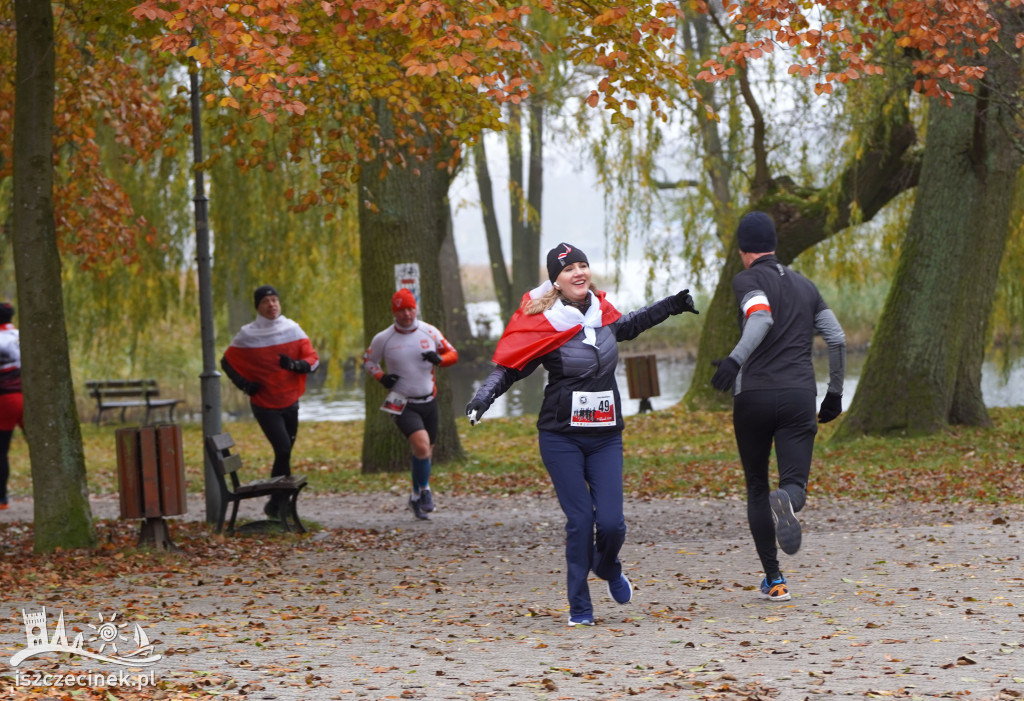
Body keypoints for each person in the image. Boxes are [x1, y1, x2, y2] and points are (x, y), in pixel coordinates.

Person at [465, 243, 699, 627]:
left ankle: (608, 567)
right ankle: (580, 608)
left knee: (611, 524)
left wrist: (671, 304)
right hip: (562, 438)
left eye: (583, 266)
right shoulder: (544, 324)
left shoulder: (602, 315)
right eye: (570, 268)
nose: (579, 273)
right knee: (580, 521)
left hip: (606, 436)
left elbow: (632, 324)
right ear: (555, 280)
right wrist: (482, 397)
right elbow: (509, 367)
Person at [710, 211, 846, 602]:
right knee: (793, 485)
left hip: (752, 396)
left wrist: (735, 360)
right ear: (773, 245)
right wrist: (834, 393)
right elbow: (836, 338)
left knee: (756, 486)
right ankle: (787, 500)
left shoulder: (747, 279)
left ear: (743, 250)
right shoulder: (806, 287)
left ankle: (775, 579)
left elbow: (761, 316)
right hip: (798, 397)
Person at [221, 285, 320, 519]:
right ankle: (279, 504)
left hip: (290, 400)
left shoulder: (292, 329)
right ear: (258, 306)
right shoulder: (248, 334)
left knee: (284, 453)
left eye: (275, 300)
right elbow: (227, 362)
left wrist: (295, 365)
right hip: (265, 404)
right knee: (283, 448)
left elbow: (313, 360)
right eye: (266, 301)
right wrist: (244, 384)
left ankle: (276, 505)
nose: (272, 304)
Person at [363, 288, 458, 520]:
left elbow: (452, 354)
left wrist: (440, 359)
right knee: (422, 446)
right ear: (394, 312)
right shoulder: (384, 338)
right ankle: (425, 491)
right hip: (401, 402)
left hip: (429, 399)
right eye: (401, 310)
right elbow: (369, 361)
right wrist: (382, 378)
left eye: (409, 308)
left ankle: (415, 495)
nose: (406, 314)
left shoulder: (429, 331)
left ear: (415, 308)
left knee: (424, 451)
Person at [0, 302, 22, 511]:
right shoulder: (22, 335)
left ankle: (2, 499)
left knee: (1, 450)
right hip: (32, 399)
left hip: (6, 400)